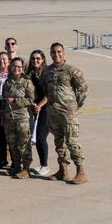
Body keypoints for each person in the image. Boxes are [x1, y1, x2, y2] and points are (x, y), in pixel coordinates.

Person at [37, 43, 88, 184]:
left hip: (68, 113)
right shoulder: (46, 71)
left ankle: (81, 171)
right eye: (53, 52)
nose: (56, 54)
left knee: (72, 141)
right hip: (53, 112)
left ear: (64, 53)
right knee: (59, 142)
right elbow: (45, 89)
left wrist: (74, 105)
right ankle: (63, 170)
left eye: (59, 52)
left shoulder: (72, 71)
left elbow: (83, 90)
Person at [3, 57, 35, 179]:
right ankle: (16, 166)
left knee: (24, 144)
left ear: (22, 69)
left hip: (22, 119)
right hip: (9, 118)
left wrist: (16, 100)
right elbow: (4, 101)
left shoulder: (27, 82)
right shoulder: (8, 82)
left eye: (19, 67)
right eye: (14, 66)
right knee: (12, 143)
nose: (16, 69)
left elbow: (31, 100)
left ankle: (26, 169)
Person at [28, 49, 52, 176]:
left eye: (38, 58)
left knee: (41, 136)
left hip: (46, 108)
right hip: (34, 107)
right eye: (33, 59)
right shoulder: (30, 73)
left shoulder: (47, 73)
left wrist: (39, 105)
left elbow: (49, 93)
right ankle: (40, 165)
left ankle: (45, 165)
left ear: (43, 60)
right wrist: (33, 104)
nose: (35, 61)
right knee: (33, 137)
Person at [0, 52, 11, 170]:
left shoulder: (12, 73)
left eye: (4, 60)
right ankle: (3, 158)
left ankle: (14, 159)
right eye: (0, 60)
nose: (2, 62)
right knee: (0, 134)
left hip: (8, 105)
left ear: (9, 61)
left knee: (10, 133)